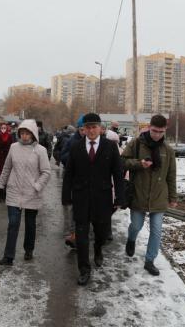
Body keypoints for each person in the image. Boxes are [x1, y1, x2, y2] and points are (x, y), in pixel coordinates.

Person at [62, 112, 125, 286]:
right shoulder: (76, 147)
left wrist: (120, 196)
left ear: (100, 128)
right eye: (87, 127)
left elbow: (118, 174)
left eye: (94, 127)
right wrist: (66, 196)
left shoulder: (110, 147)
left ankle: (98, 250)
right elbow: (69, 175)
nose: (90, 130)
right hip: (81, 198)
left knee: (101, 233)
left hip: (102, 198)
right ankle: (84, 269)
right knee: (81, 236)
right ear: (83, 129)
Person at [122, 114, 177, 276]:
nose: (157, 135)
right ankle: (131, 239)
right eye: (154, 131)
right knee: (136, 226)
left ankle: (149, 260)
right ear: (149, 127)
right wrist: (140, 164)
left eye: (161, 132)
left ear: (165, 130)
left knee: (157, 230)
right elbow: (122, 161)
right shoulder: (136, 144)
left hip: (159, 197)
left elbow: (171, 175)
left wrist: (173, 197)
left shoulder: (168, 150)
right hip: (139, 194)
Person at [0, 119, 51, 266]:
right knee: (13, 223)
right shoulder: (13, 147)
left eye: (27, 133)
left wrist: (37, 186)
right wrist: (1, 186)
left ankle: (29, 249)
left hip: (32, 192)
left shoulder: (41, 150)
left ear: (33, 134)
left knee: (30, 224)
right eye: (22, 133)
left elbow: (46, 172)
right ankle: (8, 256)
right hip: (14, 190)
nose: (25, 136)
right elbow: (7, 168)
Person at [60, 117, 86, 249]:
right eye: (81, 129)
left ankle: (79, 234)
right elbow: (61, 155)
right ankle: (71, 234)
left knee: (82, 208)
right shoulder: (71, 141)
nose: (84, 132)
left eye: (85, 129)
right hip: (71, 177)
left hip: (85, 180)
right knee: (69, 207)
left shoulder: (93, 141)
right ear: (78, 129)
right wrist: (72, 158)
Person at [0, 122, 15, 203]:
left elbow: (12, 146)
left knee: (7, 174)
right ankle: (0, 194)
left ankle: (6, 193)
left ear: (7, 128)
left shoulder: (10, 136)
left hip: (8, 157)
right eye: (2, 127)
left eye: (4, 127)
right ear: (0, 128)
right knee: (0, 175)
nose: (3, 129)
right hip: (0, 158)